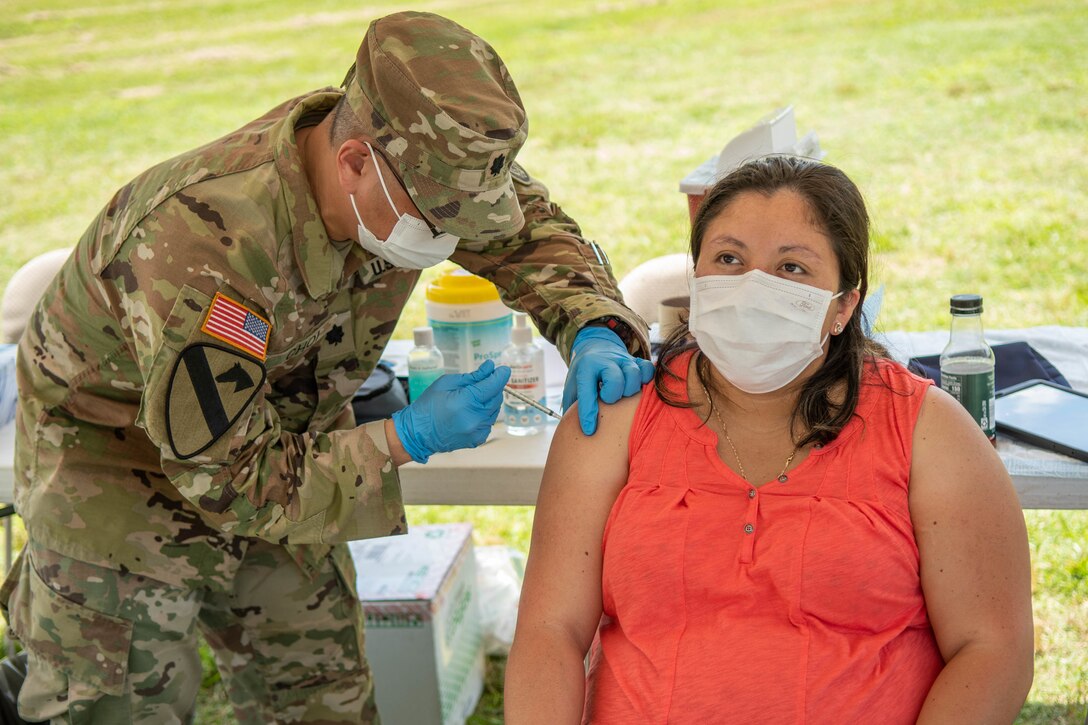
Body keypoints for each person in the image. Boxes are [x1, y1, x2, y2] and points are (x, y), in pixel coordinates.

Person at [0, 11, 653, 724]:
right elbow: (234, 477)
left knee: (321, 697)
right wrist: (407, 438)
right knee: (112, 705)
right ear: (353, 163)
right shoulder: (205, 245)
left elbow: (524, 231)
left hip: (288, 436)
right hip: (115, 469)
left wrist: (594, 324)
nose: (452, 237)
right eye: (439, 222)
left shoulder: (420, 162)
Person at [505, 155, 1034, 723]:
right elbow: (549, 631)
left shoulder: (930, 433)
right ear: (695, 278)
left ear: (843, 306)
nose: (752, 288)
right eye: (728, 258)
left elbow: (991, 650)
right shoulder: (615, 422)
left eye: (791, 268)